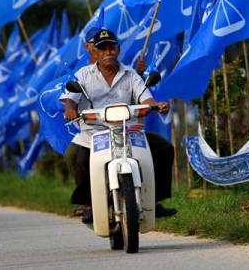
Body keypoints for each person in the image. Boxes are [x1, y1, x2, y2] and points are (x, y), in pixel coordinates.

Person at [60, 28, 177, 223]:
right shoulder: (83, 75)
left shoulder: (131, 75)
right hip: (94, 134)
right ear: (95, 52)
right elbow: (70, 99)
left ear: (118, 49)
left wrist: (157, 105)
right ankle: (88, 204)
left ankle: (154, 202)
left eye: (111, 47)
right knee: (75, 156)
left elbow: (146, 98)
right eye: (102, 48)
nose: (108, 52)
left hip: (127, 131)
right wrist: (70, 108)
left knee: (164, 149)